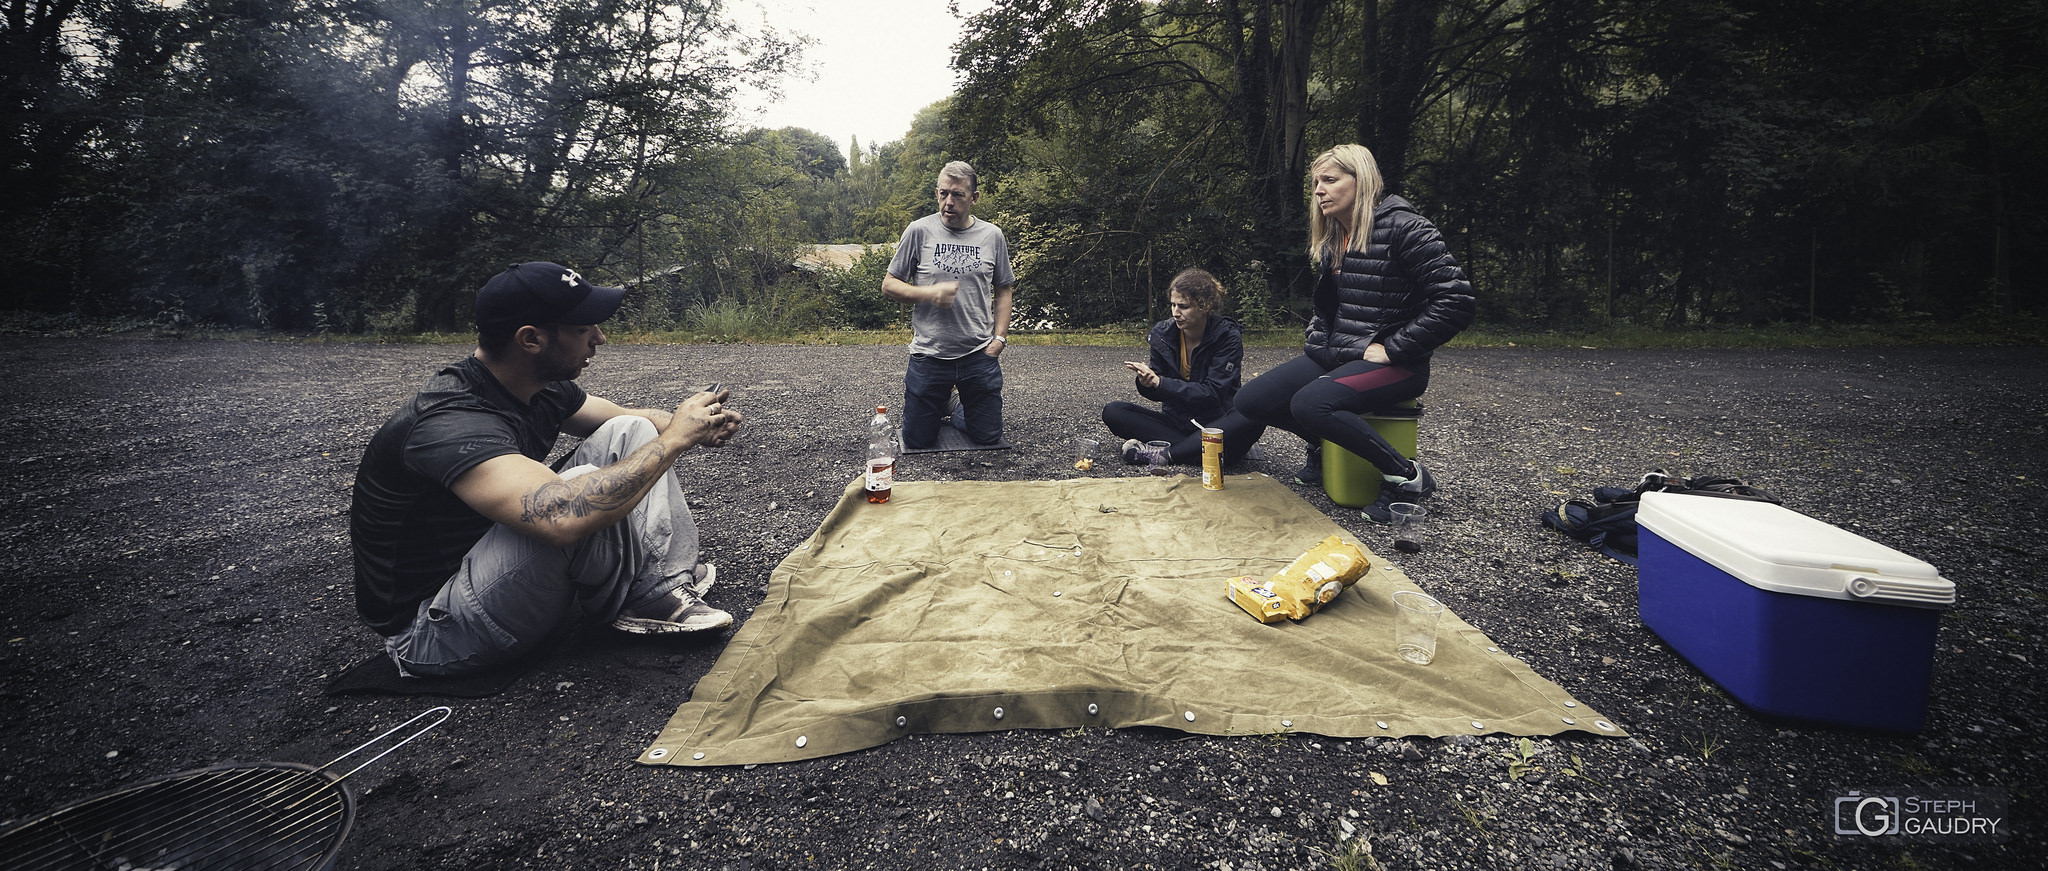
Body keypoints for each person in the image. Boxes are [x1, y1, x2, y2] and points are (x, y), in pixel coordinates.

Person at [350, 261, 744, 677]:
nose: (600, 338)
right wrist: (676, 438)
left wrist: (695, 424)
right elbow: (558, 515)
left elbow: (632, 419)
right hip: (434, 631)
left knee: (632, 431)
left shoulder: (535, 385)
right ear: (531, 339)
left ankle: (651, 583)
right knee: (569, 496)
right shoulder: (451, 420)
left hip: (485, 571)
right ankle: (646, 595)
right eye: (582, 328)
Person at [1217, 144, 1475, 522]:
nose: (1319, 190)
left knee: (1310, 403)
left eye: (1330, 180)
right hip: (1340, 352)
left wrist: (1395, 349)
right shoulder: (1336, 236)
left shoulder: (1406, 227)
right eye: (1315, 182)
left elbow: (1456, 300)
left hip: (1398, 364)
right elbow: (1328, 308)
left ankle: (1406, 475)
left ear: (1362, 181)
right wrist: (1318, 339)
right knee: (1251, 401)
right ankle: (1325, 446)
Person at [882, 160, 1016, 449]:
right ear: (936, 194)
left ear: (974, 198)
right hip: (930, 354)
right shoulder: (918, 231)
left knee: (989, 437)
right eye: (943, 194)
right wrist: (928, 294)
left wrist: (1000, 339)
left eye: (957, 195)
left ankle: (955, 406)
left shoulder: (992, 235)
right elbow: (889, 284)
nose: (948, 202)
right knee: (917, 440)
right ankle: (940, 401)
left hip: (978, 353)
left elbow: (1004, 288)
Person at [1101, 268, 1257, 465]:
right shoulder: (1162, 334)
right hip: (1176, 422)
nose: (1176, 312)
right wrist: (1147, 383)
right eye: (1173, 305)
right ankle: (1202, 452)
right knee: (1114, 411)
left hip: (1215, 423)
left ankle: (1166, 454)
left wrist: (1162, 383)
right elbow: (1158, 393)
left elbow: (1213, 393)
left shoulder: (1227, 337)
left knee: (1253, 414)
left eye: (1183, 306)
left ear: (1205, 306)